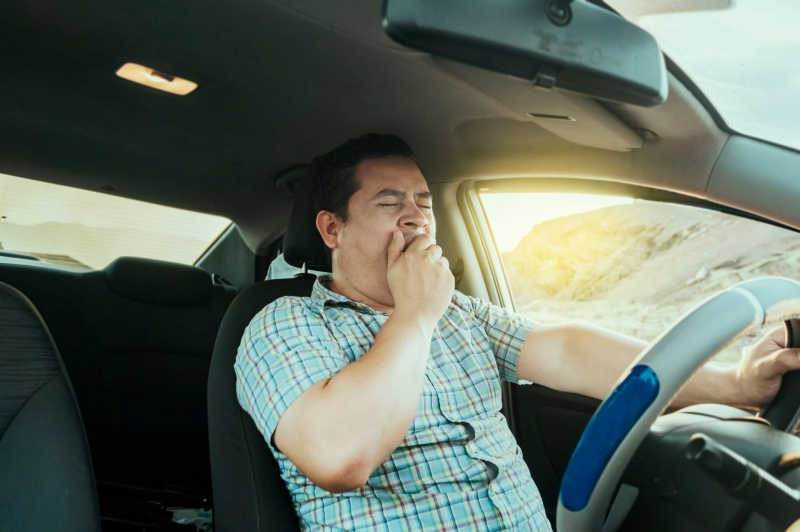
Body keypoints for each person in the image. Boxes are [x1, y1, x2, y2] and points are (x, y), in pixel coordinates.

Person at [235, 133, 799, 531]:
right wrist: (414, 315)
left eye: (423, 204)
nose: (416, 219)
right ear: (332, 229)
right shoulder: (282, 324)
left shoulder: (459, 312)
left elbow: (567, 352)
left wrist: (734, 386)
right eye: (390, 203)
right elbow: (339, 458)